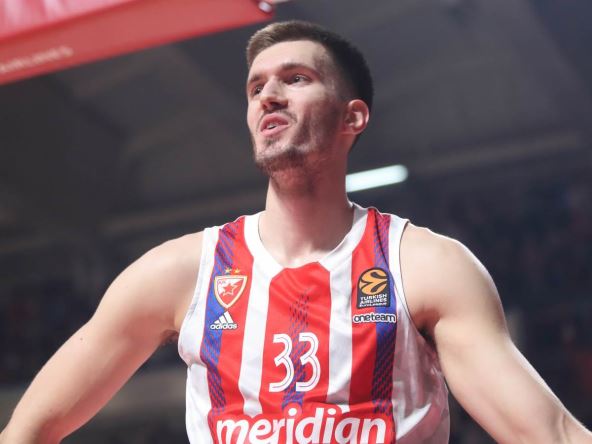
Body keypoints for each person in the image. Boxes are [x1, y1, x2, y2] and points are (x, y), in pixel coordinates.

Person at [1, 20, 591, 444]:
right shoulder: (176, 273)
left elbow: (550, 434)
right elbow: (28, 430)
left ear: (352, 116)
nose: (268, 96)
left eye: (296, 78)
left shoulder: (424, 265)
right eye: (256, 87)